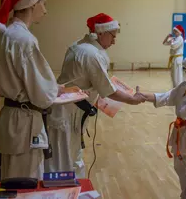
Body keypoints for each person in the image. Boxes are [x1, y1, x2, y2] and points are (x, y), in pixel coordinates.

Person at [44, 13, 146, 177]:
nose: (114, 41)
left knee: (71, 158)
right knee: (62, 163)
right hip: (66, 115)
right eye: (112, 36)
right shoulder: (92, 54)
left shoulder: (79, 46)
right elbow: (108, 89)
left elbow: (93, 84)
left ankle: (77, 191)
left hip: (70, 112)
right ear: (100, 33)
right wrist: (132, 99)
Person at [0, 0, 64, 179]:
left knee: (12, 179)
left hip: (12, 118)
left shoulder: (7, 34)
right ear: (32, 4)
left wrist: (50, 87)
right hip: (23, 123)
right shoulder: (24, 39)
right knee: (26, 183)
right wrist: (53, 90)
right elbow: (41, 94)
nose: (45, 10)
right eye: (44, 4)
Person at [140, 50, 186, 199]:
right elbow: (166, 97)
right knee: (181, 170)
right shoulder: (184, 86)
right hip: (180, 133)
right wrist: (144, 95)